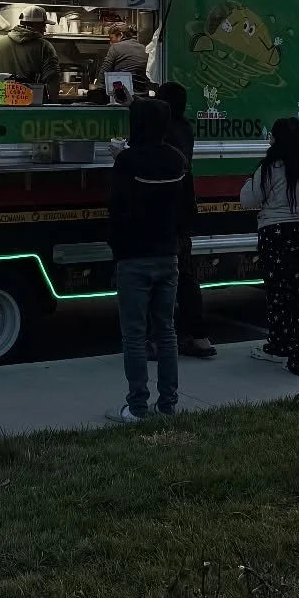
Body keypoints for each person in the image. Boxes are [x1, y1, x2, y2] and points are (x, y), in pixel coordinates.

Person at [106, 97, 193, 420]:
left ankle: (137, 406)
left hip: (133, 256)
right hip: (167, 254)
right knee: (166, 331)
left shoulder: (127, 161)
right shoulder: (177, 159)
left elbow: (117, 209)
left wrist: (116, 246)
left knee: (134, 335)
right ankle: (168, 404)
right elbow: (187, 209)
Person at [239, 116, 299, 377]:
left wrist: (248, 183)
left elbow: (248, 199)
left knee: (278, 293)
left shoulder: (270, 168)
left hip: (276, 234)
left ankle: (279, 346)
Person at [157, 81, 216, 358]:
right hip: (183, 211)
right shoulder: (184, 129)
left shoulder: (163, 132)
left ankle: (157, 340)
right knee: (186, 277)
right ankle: (200, 337)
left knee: (158, 277)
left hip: (164, 214)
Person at [0, 7, 62, 100]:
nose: (45, 29)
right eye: (43, 25)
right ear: (34, 24)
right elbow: (52, 79)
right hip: (31, 102)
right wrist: (52, 103)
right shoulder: (44, 46)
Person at [100, 22, 151, 95]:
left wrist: (96, 90)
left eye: (111, 38)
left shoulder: (115, 47)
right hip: (143, 95)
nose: (110, 42)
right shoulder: (144, 48)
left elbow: (104, 74)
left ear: (120, 35)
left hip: (124, 96)